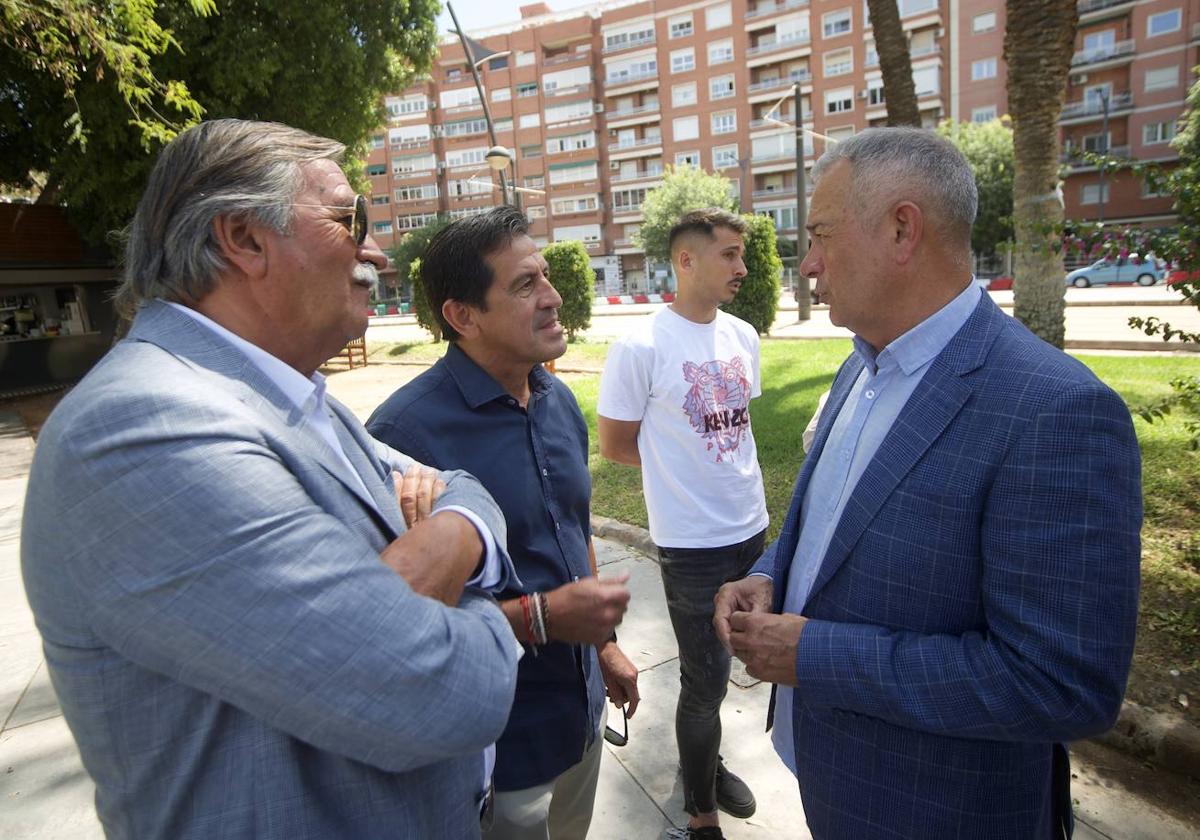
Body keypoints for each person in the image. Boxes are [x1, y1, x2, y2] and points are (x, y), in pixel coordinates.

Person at [20, 119, 521, 840]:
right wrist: (497, 619)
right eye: (352, 219)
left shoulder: (287, 391)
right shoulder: (143, 428)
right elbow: (440, 693)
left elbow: (458, 486)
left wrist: (455, 533)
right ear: (244, 239)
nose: (375, 249)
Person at [713, 127, 1142, 840]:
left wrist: (814, 654)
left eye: (819, 235)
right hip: (834, 779)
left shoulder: (1055, 412)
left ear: (902, 229)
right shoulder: (862, 360)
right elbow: (832, 516)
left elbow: (1063, 684)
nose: (808, 265)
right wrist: (770, 570)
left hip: (939, 810)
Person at [367, 207, 640, 840]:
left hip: (583, 716)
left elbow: (575, 530)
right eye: (524, 285)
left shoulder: (558, 398)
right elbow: (396, 623)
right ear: (462, 316)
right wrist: (540, 618)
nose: (553, 297)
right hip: (498, 746)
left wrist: (603, 646)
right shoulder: (403, 437)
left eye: (545, 276)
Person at [597, 208, 766, 840]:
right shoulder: (640, 345)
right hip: (691, 543)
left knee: (747, 660)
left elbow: (734, 430)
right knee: (705, 680)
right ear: (686, 261)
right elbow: (615, 444)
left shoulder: (743, 336)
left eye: (742, 255)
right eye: (729, 255)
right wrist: (679, 471)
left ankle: (708, 760)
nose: (743, 267)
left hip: (752, 528)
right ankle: (700, 817)